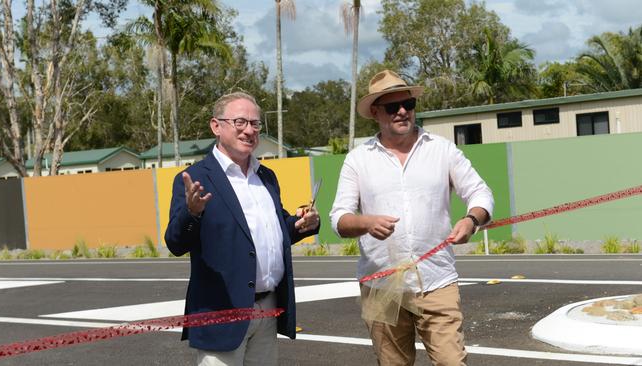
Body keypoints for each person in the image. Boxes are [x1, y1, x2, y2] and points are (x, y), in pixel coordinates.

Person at [329, 70, 494, 366]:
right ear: (376, 113)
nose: (403, 111)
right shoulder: (358, 158)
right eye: (393, 107)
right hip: (381, 287)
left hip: (437, 280)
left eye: (408, 104)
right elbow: (339, 219)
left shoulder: (441, 149)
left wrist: (471, 220)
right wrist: (366, 223)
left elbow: (481, 193)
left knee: (451, 362)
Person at [165, 91, 320, 366]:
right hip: (221, 315)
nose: (249, 130)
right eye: (240, 122)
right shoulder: (195, 179)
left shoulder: (266, 176)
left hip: (268, 310)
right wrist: (192, 213)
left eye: (255, 124)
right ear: (216, 126)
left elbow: (274, 230)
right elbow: (175, 243)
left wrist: (299, 225)